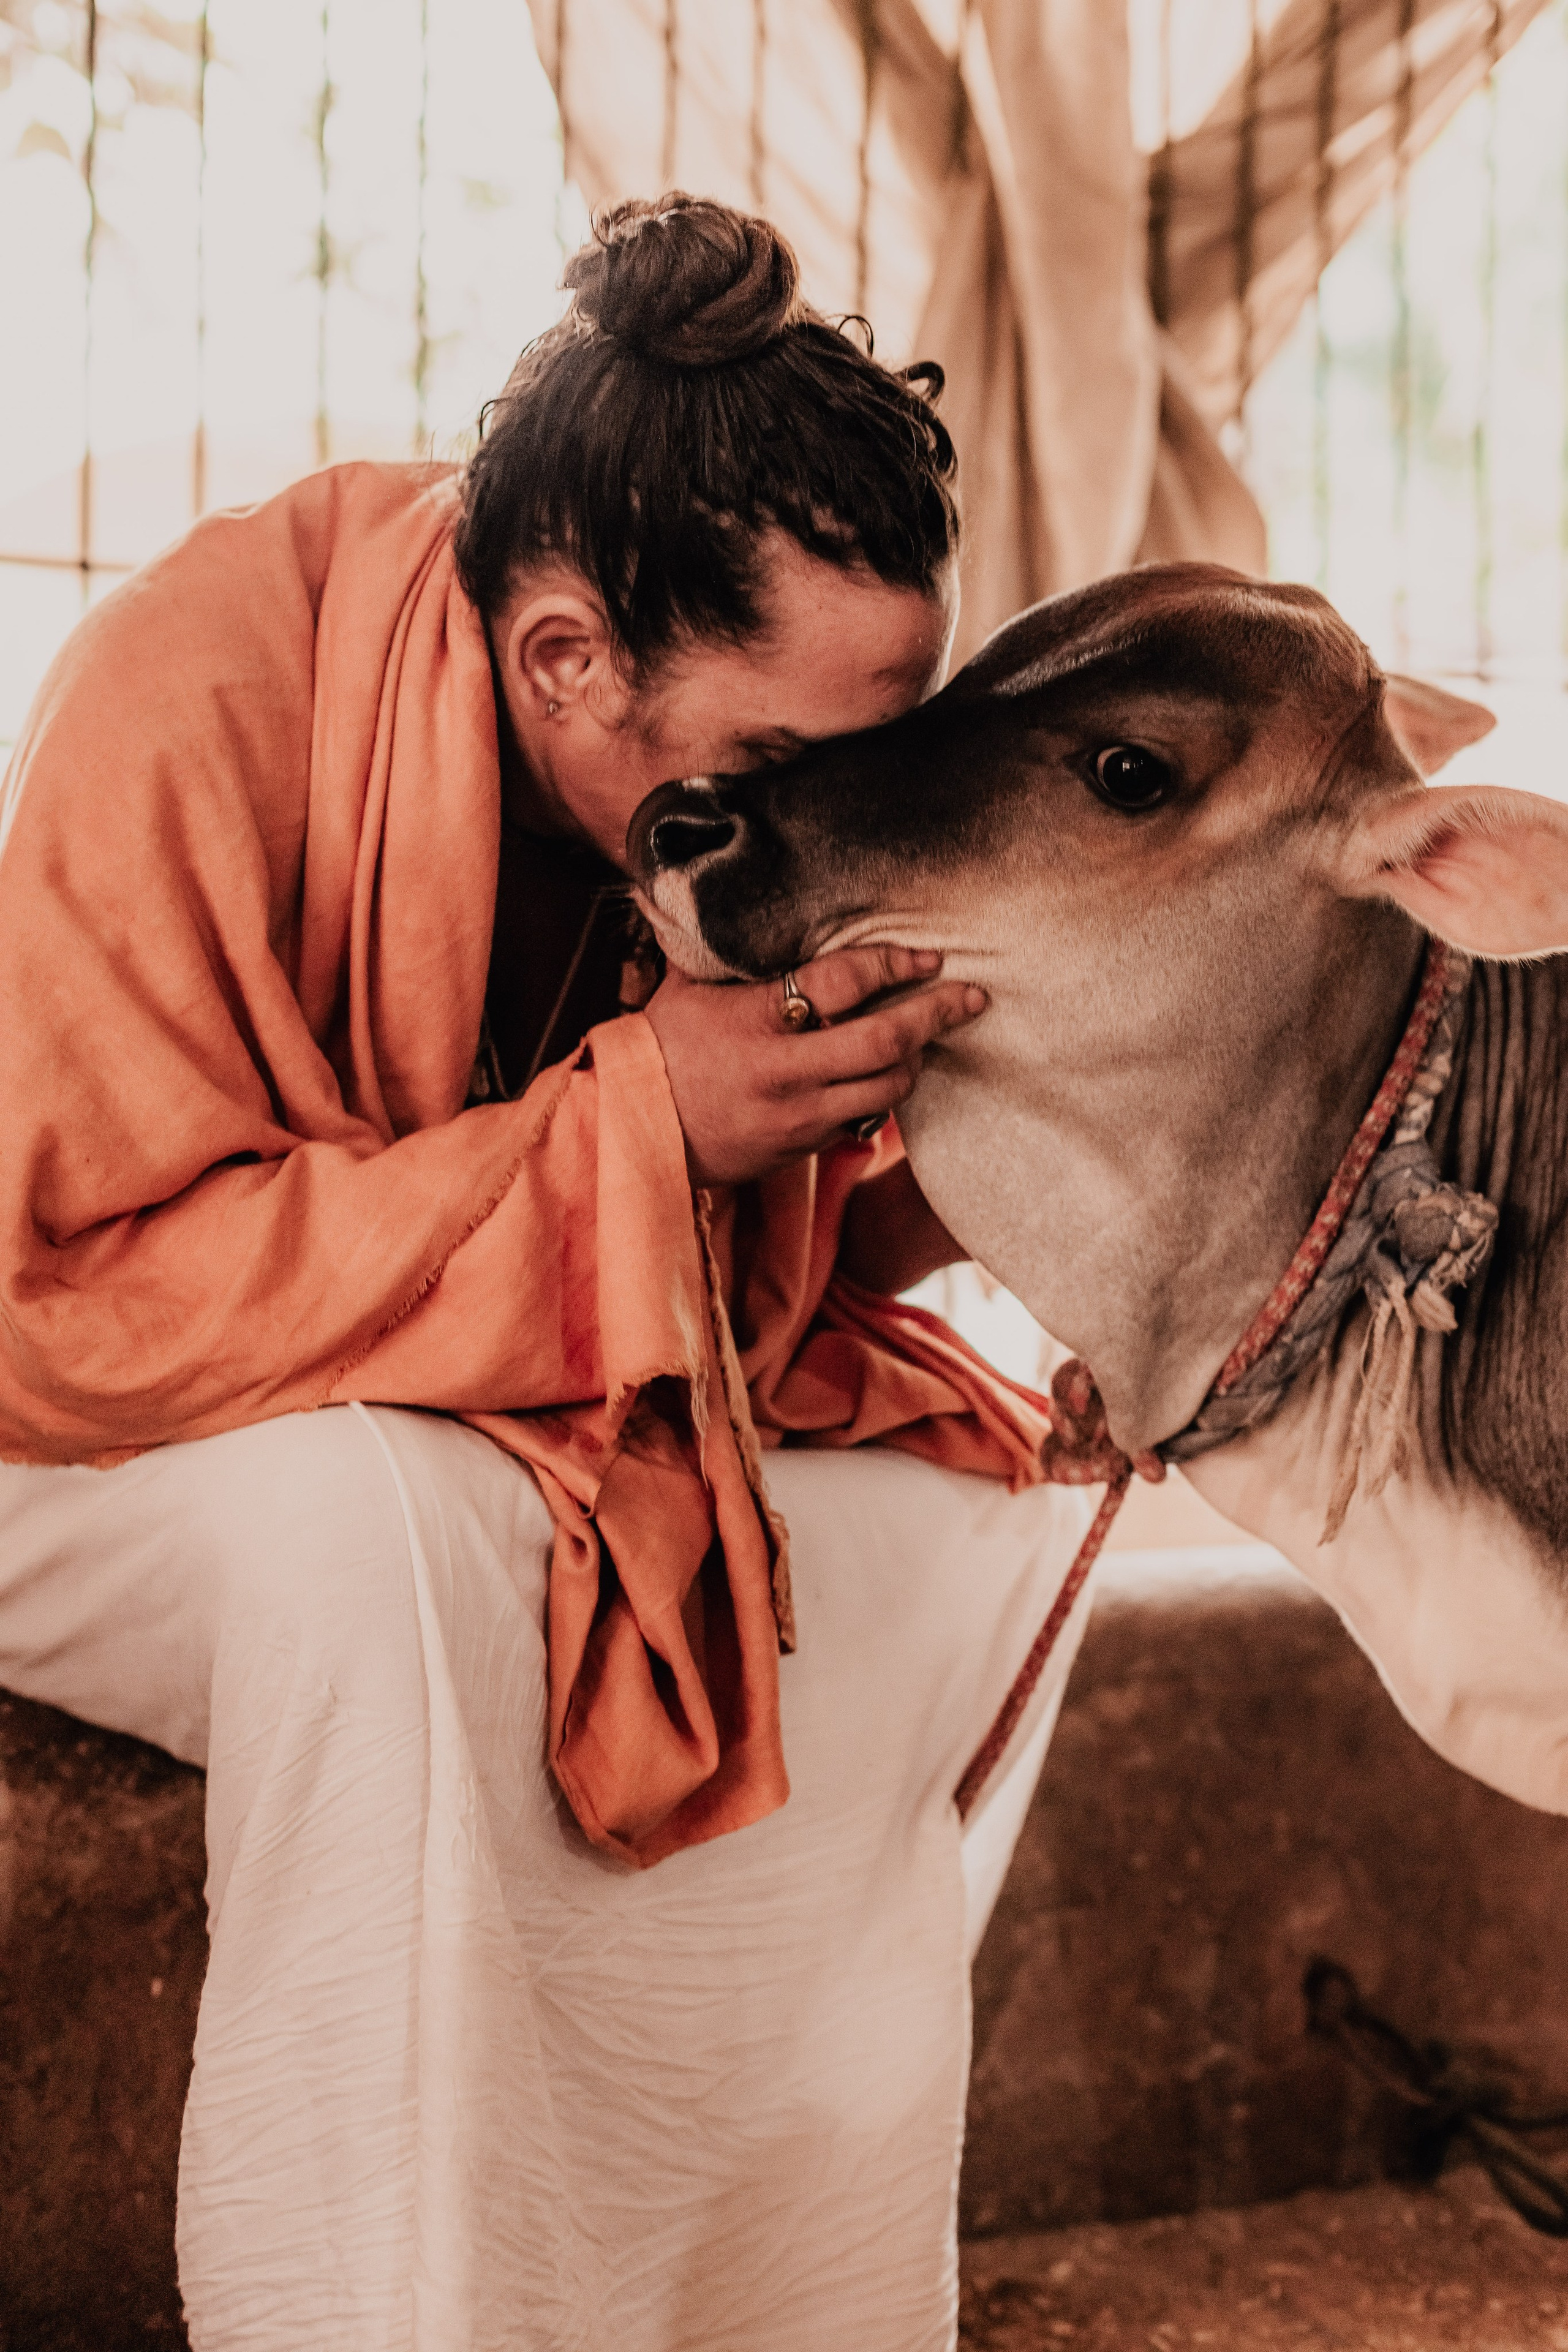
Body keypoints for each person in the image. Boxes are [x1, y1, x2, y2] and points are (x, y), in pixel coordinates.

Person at [0, 197, 1095, 2349]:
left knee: (925, 1527)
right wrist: (628, 1132)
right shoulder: (205, 676)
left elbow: (778, 1277)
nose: (827, 817)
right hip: (83, 1424)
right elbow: (80, 1293)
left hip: (477, 1419)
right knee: (361, 1540)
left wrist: (1019, 1192)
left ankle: (772, 2311)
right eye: (781, 769)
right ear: (569, 661)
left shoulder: (715, 804)